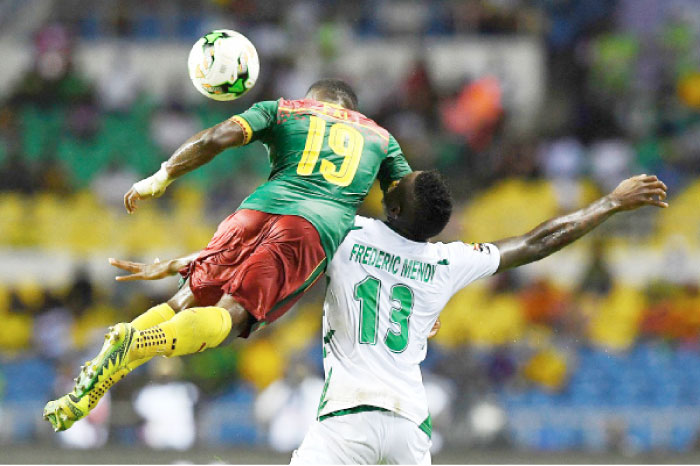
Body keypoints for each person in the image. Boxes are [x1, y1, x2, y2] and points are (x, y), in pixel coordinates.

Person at [104, 171, 667, 463]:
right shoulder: (448, 260)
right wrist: (610, 203)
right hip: (409, 428)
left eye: (393, 188)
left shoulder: (346, 232)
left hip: (346, 419)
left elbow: (255, 247)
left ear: (393, 209)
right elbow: (539, 241)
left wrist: (181, 266)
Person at [43, 78, 412, 432]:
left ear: (313, 98)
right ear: (351, 106)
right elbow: (410, 207)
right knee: (231, 319)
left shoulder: (285, 110)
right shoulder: (380, 138)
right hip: (309, 229)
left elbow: (214, 137)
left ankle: (86, 388)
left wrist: (160, 177)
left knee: (182, 302)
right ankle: (138, 341)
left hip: (251, 212)